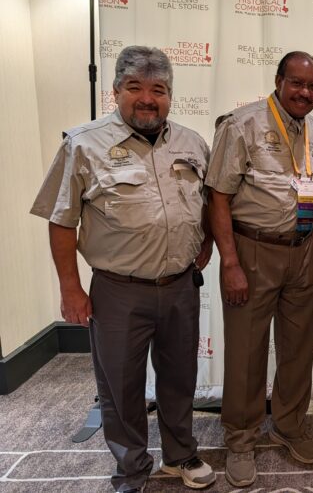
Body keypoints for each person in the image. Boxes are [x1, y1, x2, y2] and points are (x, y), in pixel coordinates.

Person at [30, 46, 215, 492]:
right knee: (120, 385)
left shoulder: (193, 143)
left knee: (179, 379)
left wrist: (206, 241)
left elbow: (208, 204)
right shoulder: (83, 144)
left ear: (170, 95)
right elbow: (61, 220)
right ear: (115, 91)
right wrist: (71, 289)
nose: (147, 98)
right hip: (118, 290)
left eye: (158, 89)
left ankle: (180, 454)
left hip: (180, 287)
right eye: (135, 87)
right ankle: (132, 468)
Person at [206, 51, 313, 487]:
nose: (305, 92)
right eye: (297, 83)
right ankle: (241, 438)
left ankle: (289, 425)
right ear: (278, 81)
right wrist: (230, 262)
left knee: (298, 346)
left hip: (305, 247)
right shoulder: (241, 124)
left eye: (312, 86)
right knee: (246, 350)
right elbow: (218, 196)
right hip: (253, 249)